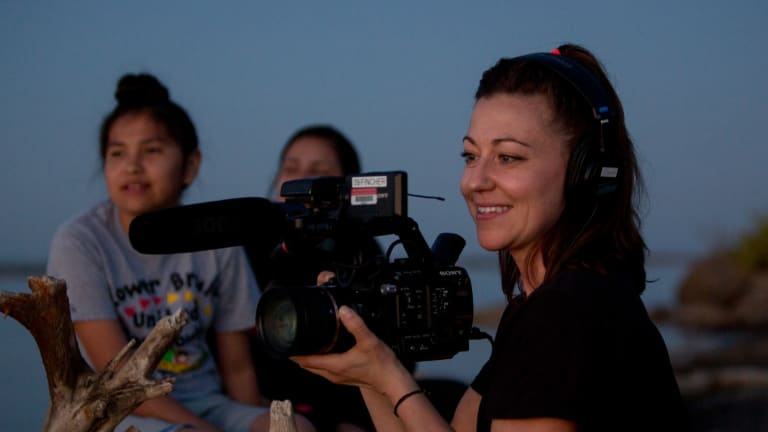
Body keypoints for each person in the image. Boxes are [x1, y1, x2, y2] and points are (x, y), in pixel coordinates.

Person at [291, 44, 689, 431]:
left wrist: (389, 378)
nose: (475, 182)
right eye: (471, 155)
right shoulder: (544, 304)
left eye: (508, 157)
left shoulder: (566, 313)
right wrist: (369, 368)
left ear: (586, 172)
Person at [46, 73, 314, 432]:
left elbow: (237, 367)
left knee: (295, 428)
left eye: (152, 150)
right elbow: (119, 381)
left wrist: (256, 419)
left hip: (208, 404)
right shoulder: (80, 241)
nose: (132, 165)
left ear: (190, 165)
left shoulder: (218, 238)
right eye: (117, 153)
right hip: (120, 413)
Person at [245, 125, 380, 432]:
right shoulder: (252, 247)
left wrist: (352, 419)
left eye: (318, 171)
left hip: (348, 401)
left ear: (348, 186)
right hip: (266, 403)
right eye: (290, 168)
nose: (301, 180)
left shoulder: (363, 248)